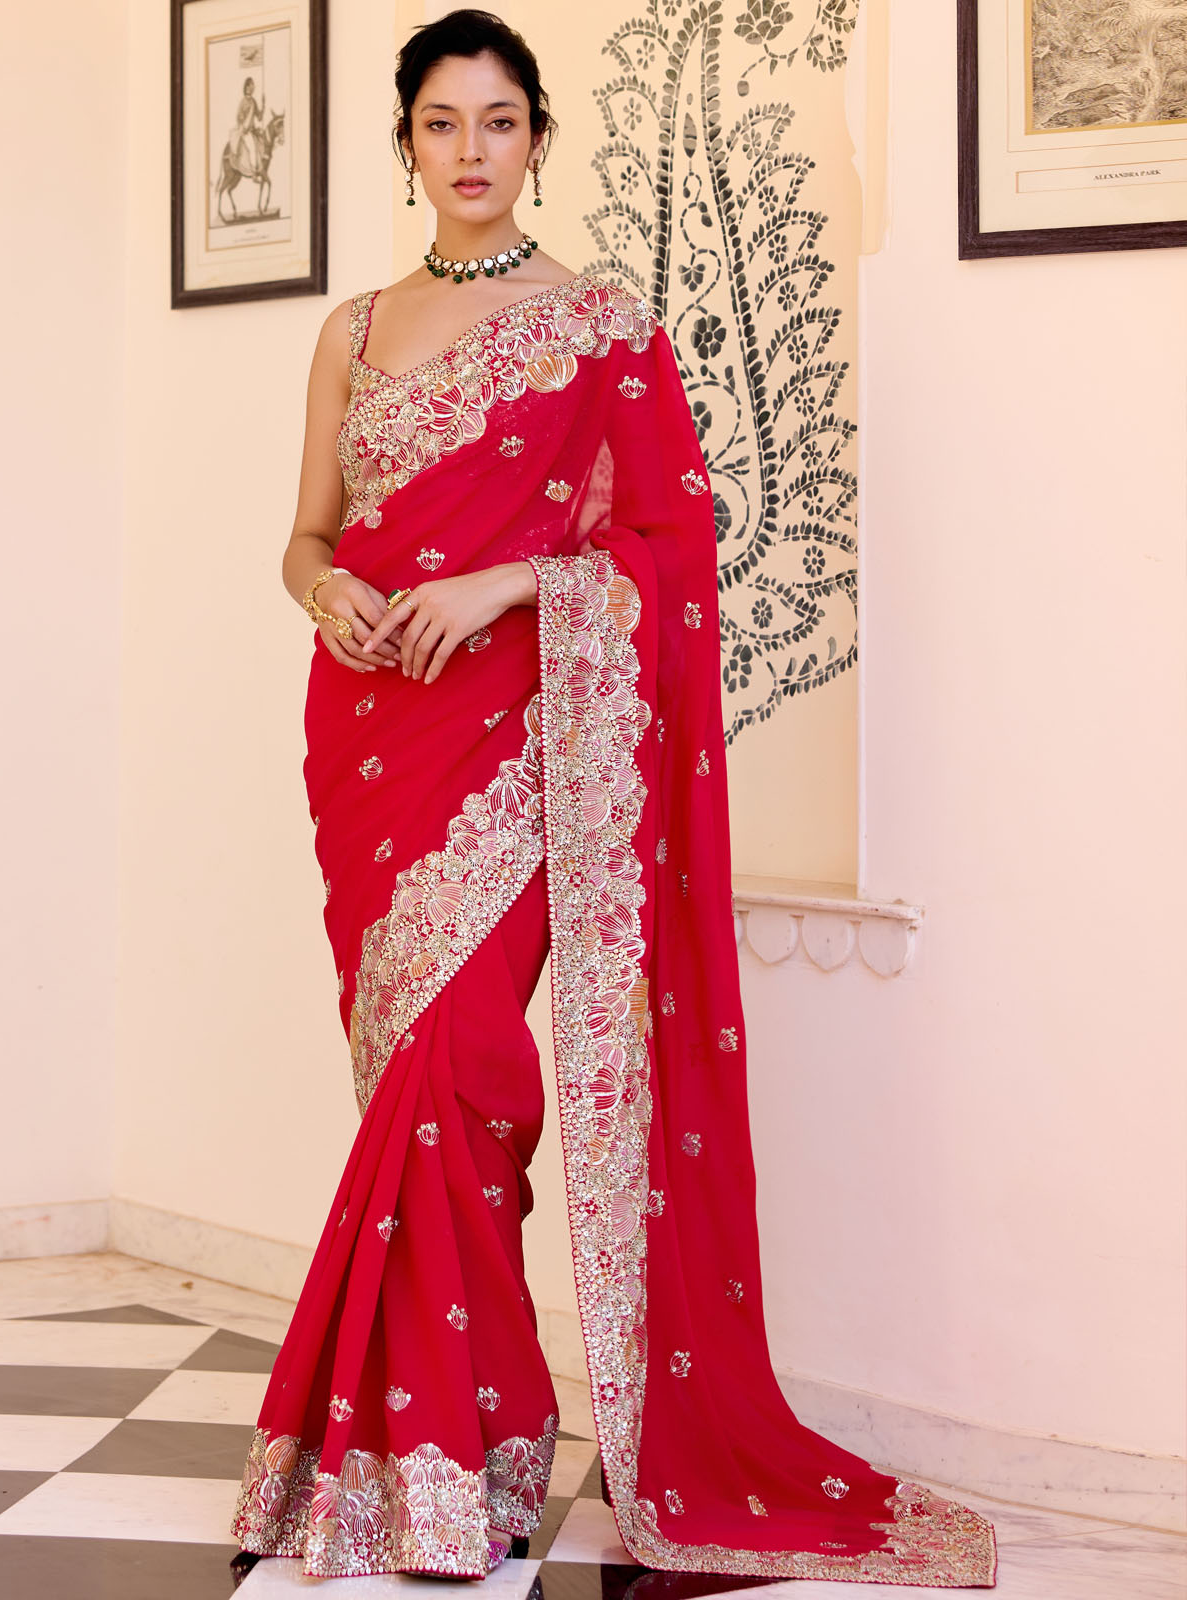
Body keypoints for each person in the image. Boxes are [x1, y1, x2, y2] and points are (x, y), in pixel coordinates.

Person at [230, 8, 997, 1587]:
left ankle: (454, 1451)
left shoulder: (601, 329)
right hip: (370, 738)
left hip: (519, 742)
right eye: (441, 123)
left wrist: (512, 582)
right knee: (413, 1085)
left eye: (498, 121)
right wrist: (325, 593)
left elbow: (671, 551)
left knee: (462, 1070)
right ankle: (458, 1451)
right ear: (405, 146)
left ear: (537, 137)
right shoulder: (352, 331)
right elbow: (305, 533)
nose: (471, 151)